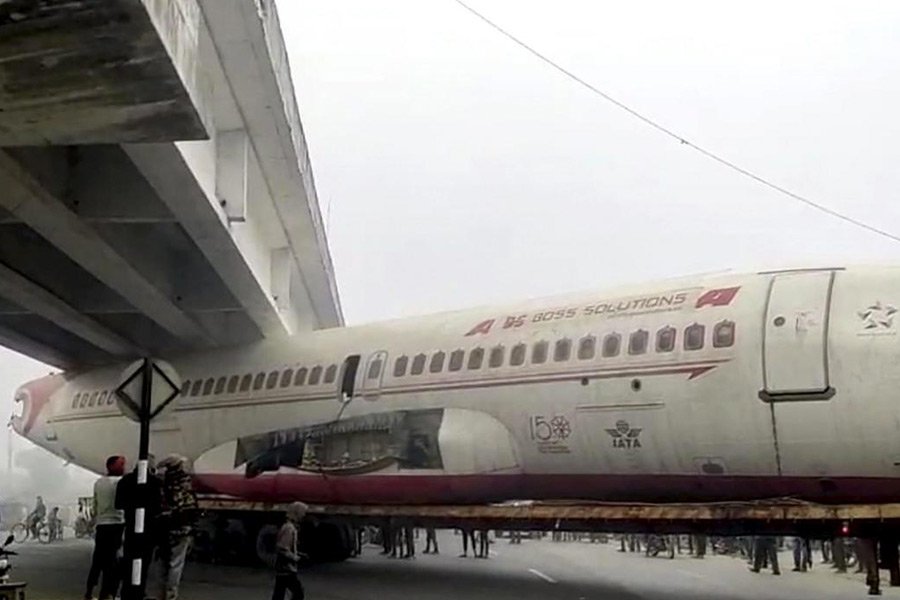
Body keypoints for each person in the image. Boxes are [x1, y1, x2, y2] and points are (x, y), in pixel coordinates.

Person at [116, 454, 164, 599]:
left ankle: (126, 593)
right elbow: (158, 507)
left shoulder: (125, 481)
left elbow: (118, 504)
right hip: (148, 530)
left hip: (130, 527)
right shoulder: (155, 483)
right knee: (142, 565)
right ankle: (139, 592)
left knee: (129, 562)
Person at [156, 455, 198, 600]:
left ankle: (161, 593)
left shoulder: (162, 482)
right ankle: (171, 594)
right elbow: (188, 505)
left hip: (164, 528)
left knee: (163, 563)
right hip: (181, 527)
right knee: (176, 563)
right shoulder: (184, 481)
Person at [85, 455, 126, 600]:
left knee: (98, 559)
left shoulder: (98, 483)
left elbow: (95, 505)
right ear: (112, 466)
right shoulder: (121, 482)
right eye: (121, 464)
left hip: (101, 525)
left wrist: (93, 520)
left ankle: (89, 591)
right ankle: (109, 593)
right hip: (117, 524)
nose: (124, 467)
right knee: (114, 561)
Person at [272, 501, 308, 600]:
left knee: (279, 593)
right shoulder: (289, 529)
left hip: (283, 568)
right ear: (297, 513)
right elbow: (282, 548)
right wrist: (296, 558)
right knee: (298, 592)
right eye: (302, 513)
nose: (304, 515)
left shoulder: (289, 527)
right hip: (286, 568)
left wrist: (299, 554)